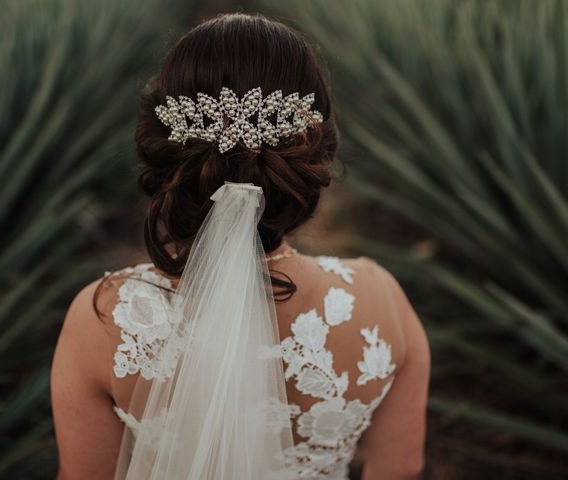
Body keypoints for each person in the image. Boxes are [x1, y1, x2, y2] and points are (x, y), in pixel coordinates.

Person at [50, 12, 430, 480]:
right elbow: (400, 467)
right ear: (317, 152)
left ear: (163, 153)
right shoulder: (382, 298)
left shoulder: (101, 318)